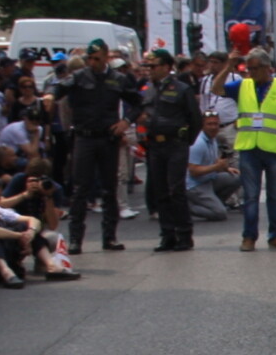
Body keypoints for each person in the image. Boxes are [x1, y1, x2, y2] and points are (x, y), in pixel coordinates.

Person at [56, 40, 137, 254]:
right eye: (90, 59)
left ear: (106, 57)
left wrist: (126, 122)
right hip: (84, 137)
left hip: (107, 138)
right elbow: (59, 89)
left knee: (109, 189)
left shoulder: (118, 79)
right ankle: (76, 239)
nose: (92, 63)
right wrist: (48, 97)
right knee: (80, 189)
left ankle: (110, 237)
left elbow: (138, 103)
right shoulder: (79, 76)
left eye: (97, 59)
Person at [229, 50, 276, 251]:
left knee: (274, 196)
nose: (251, 72)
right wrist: (229, 66)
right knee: (250, 196)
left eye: (254, 68)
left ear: (266, 68)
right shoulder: (243, 85)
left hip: (275, 150)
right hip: (249, 149)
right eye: (249, 69)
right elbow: (216, 89)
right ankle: (249, 237)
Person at [135, 50, 201, 252]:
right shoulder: (148, 89)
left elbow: (195, 119)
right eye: (149, 67)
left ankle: (184, 234)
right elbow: (143, 113)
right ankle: (167, 235)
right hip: (155, 145)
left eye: (154, 66)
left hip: (175, 144)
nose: (150, 70)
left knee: (176, 190)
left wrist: (185, 141)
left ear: (166, 67)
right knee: (160, 191)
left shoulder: (181, 89)